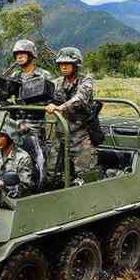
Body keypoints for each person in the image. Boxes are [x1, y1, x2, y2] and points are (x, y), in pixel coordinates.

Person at [45, 47, 98, 186]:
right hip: (60, 135)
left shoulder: (86, 81)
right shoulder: (56, 83)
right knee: (51, 173)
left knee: (87, 176)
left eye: (67, 64)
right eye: (61, 64)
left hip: (80, 135)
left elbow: (81, 97)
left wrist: (60, 107)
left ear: (76, 65)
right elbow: (42, 93)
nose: (63, 66)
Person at [0, 39, 53, 107]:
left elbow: (53, 97)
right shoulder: (15, 75)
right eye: (17, 54)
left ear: (31, 55)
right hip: (17, 118)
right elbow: (4, 91)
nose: (19, 57)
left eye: (22, 53)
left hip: (37, 120)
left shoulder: (43, 75)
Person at [0, 130, 36, 198]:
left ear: (10, 137)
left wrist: (3, 184)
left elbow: (25, 187)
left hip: (11, 202)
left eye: (0, 136)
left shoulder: (23, 157)